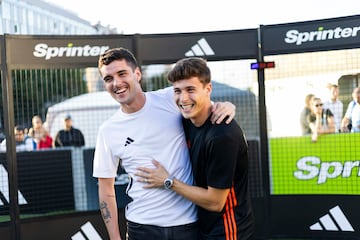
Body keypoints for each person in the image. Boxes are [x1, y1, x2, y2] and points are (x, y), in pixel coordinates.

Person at [92, 48, 236, 240]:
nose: (116, 83)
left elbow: (201, 101)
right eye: (108, 79)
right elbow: (105, 189)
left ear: (137, 74)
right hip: (142, 228)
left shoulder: (170, 98)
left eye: (122, 74)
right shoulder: (107, 130)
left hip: (189, 225)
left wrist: (226, 105)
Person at [136, 57, 254, 240]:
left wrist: (168, 181)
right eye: (177, 91)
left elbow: (215, 202)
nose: (183, 98)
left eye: (190, 90)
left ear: (208, 89)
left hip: (228, 231)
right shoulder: (185, 119)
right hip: (200, 226)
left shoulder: (222, 135)